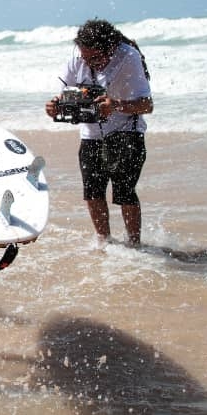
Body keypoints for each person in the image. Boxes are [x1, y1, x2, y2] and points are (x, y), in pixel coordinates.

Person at [45, 18, 153, 246]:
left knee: (125, 191)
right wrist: (55, 105)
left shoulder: (129, 57)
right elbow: (64, 95)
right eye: (86, 58)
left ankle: (135, 245)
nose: (90, 64)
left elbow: (147, 105)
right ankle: (104, 242)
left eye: (95, 58)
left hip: (127, 129)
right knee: (92, 191)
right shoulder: (79, 58)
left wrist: (115, 105)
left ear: (111, 48)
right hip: (91, 132)